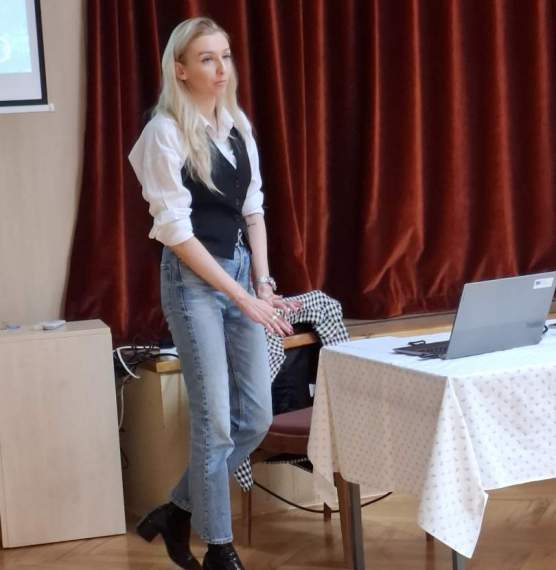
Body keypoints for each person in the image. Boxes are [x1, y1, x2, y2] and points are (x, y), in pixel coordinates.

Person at [128, 16, 301, 570]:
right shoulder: (164, 133)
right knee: (215, 421)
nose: (222, 68)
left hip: (240, 273)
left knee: (254, 418)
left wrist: (262, 284)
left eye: (225, 56)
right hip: (193, 283)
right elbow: (176, 232)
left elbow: (254, 210)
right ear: (180, 70)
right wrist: (240, 296)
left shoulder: (236, 124)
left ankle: (176, 510)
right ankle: (219, 550)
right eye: (207, 58)